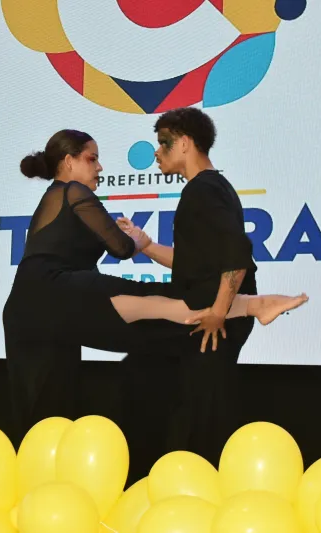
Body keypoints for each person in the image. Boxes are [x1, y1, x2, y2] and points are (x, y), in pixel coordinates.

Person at [3, 128, 306, 446]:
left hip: (26, 307)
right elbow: (120, 247)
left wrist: (140, 242)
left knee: (42, 412)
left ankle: (253, 305)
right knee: (155, 305)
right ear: (68, 161)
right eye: (92, 159)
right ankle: (253, 305)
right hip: (52, 292)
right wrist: (135, 240)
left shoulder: (54, 197)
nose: (100, 168)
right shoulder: (74, 192)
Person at [119, 107, 272, 479]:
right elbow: (194, 263)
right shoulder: (208, 188)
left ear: (184, 143)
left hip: (212, 323)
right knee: (189, 403)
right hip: (206, 319)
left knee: (202, 414)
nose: (156, 152)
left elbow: (236, 255)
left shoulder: (204, 189)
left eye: (163, 143)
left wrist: (219, 311)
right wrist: (146, 245)